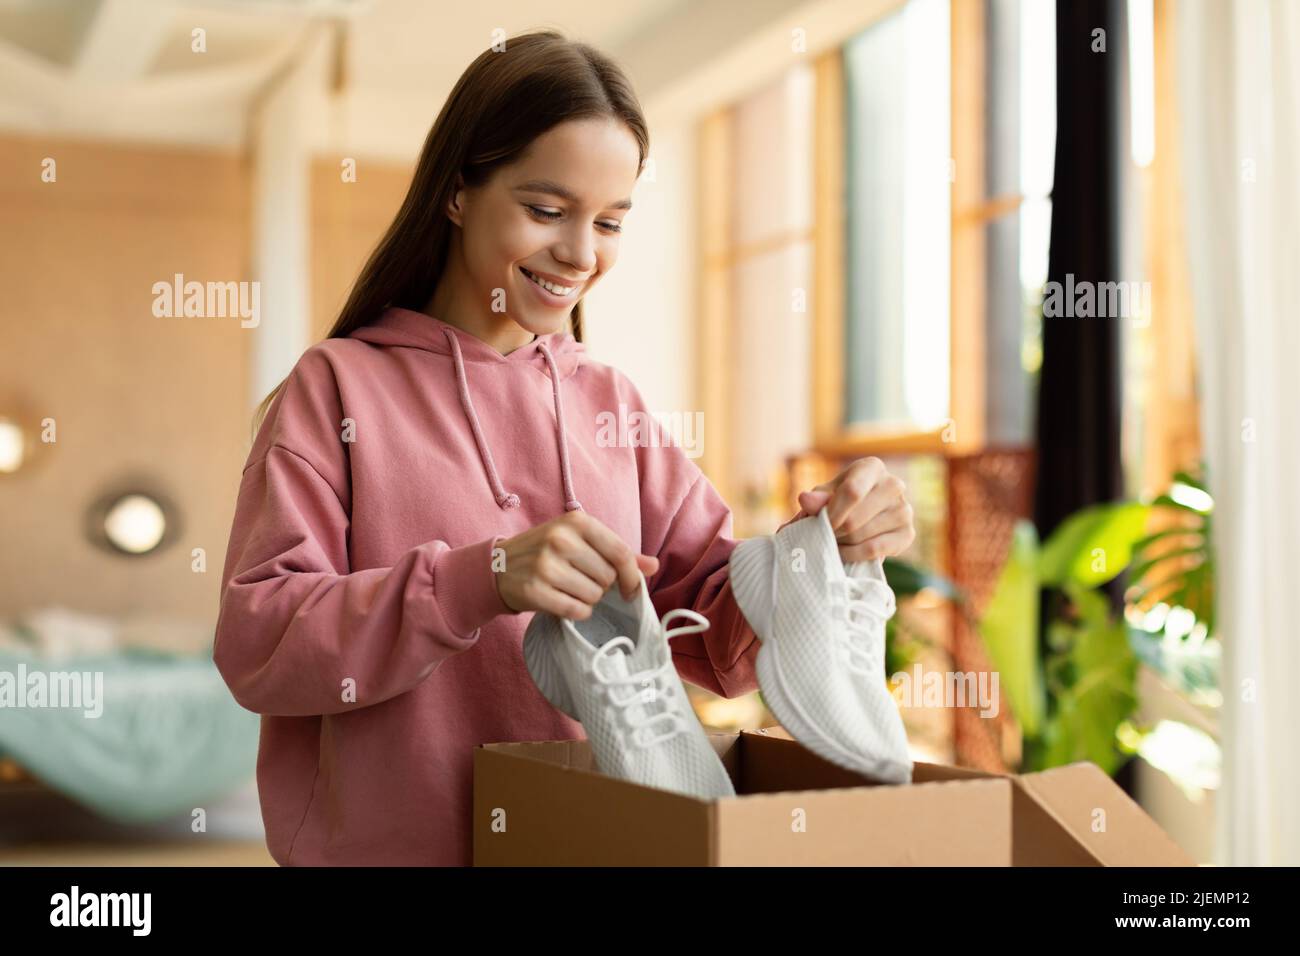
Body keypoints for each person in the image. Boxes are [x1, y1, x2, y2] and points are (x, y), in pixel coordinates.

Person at [214, 29, 915, 866]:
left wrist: (823, 554)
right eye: (546, 211)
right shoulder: (335, 390)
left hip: (591, 846)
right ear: (457, 192)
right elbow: (259, 648)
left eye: (609, 222)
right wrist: (480, 579)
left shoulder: (609, 402)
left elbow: (717, 643)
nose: (581, 254)